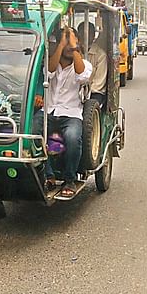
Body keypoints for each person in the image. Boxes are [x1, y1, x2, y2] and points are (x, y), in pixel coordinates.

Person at [35, 26, 93, 198]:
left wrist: (74, 46)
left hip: (72, 113)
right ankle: (48, 174)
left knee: (73, 138)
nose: (68, 45)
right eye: (65, 41)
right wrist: (61, 45)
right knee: (31, 132)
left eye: (72, 41)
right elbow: (49, 72)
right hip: (49, 111)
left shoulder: (84, 64)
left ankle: (69, 179)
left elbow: (82, 75)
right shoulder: (51, 61)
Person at [77, 21, 109, 109]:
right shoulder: (73, 52)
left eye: (88, 33)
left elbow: (98, 84)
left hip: (94, 93)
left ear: (93, 35)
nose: (85, 36)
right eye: (82, 33)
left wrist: (84, 96)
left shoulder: (100, 55)